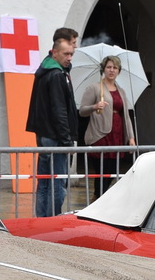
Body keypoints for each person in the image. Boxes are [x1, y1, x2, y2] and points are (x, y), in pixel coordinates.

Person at [26, 27, 81, 216]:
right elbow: (59, 111)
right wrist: (67, 141)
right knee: (57, 184)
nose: (70, 57)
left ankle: (41, 220)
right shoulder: (57, 74)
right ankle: (52, 221)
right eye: (67, 52)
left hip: (44, 134)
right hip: (56, 137)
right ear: (55, 52)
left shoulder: (46, 68)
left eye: (72, 53)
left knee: (44, 182)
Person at [80, 54, 138, 196]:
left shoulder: (121, 91)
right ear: (104, 69)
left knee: (112, 172)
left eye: (115, 67)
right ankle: (98, 198)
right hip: (100, 135)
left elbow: (126, 116)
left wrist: (131, 137)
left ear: (119, 71)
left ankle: (101, 198)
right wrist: (94, 106)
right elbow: (82, 111)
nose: (112, 70)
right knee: (102, 172)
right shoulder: (94, 88)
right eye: (109, 67)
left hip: (117, 135)